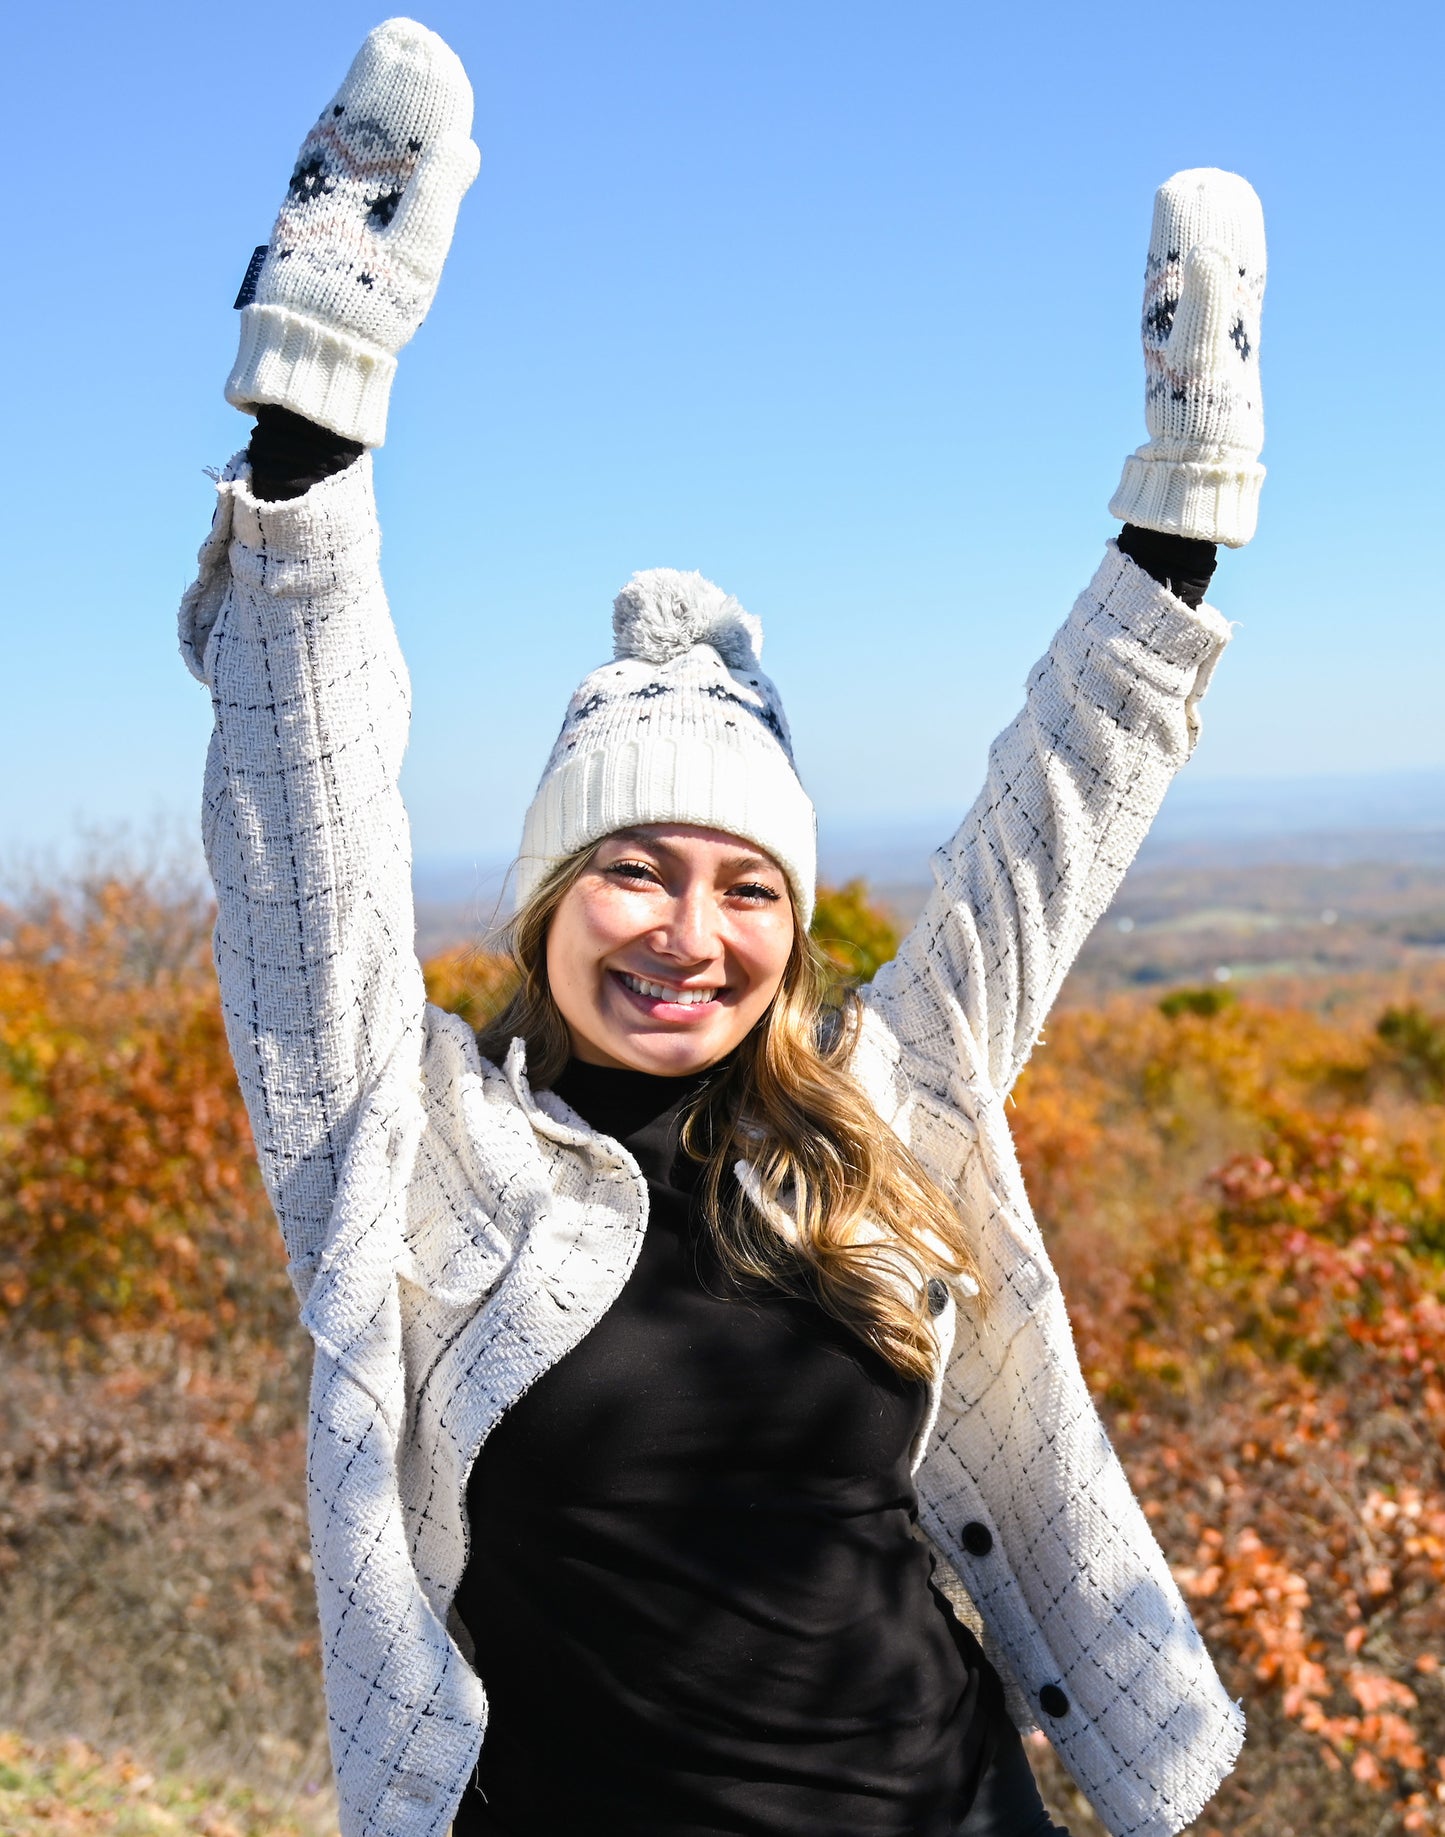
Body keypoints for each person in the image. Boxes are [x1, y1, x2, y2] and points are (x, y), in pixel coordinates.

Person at [179, 18, 1266, 1837]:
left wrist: (1184, 522)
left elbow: (1046, 826)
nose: (690, 928)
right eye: (634, 867)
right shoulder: (414, 1140)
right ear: (543, 904)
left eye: (746, 884)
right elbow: (304, 834)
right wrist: (313, 402)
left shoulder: (876, 1107)